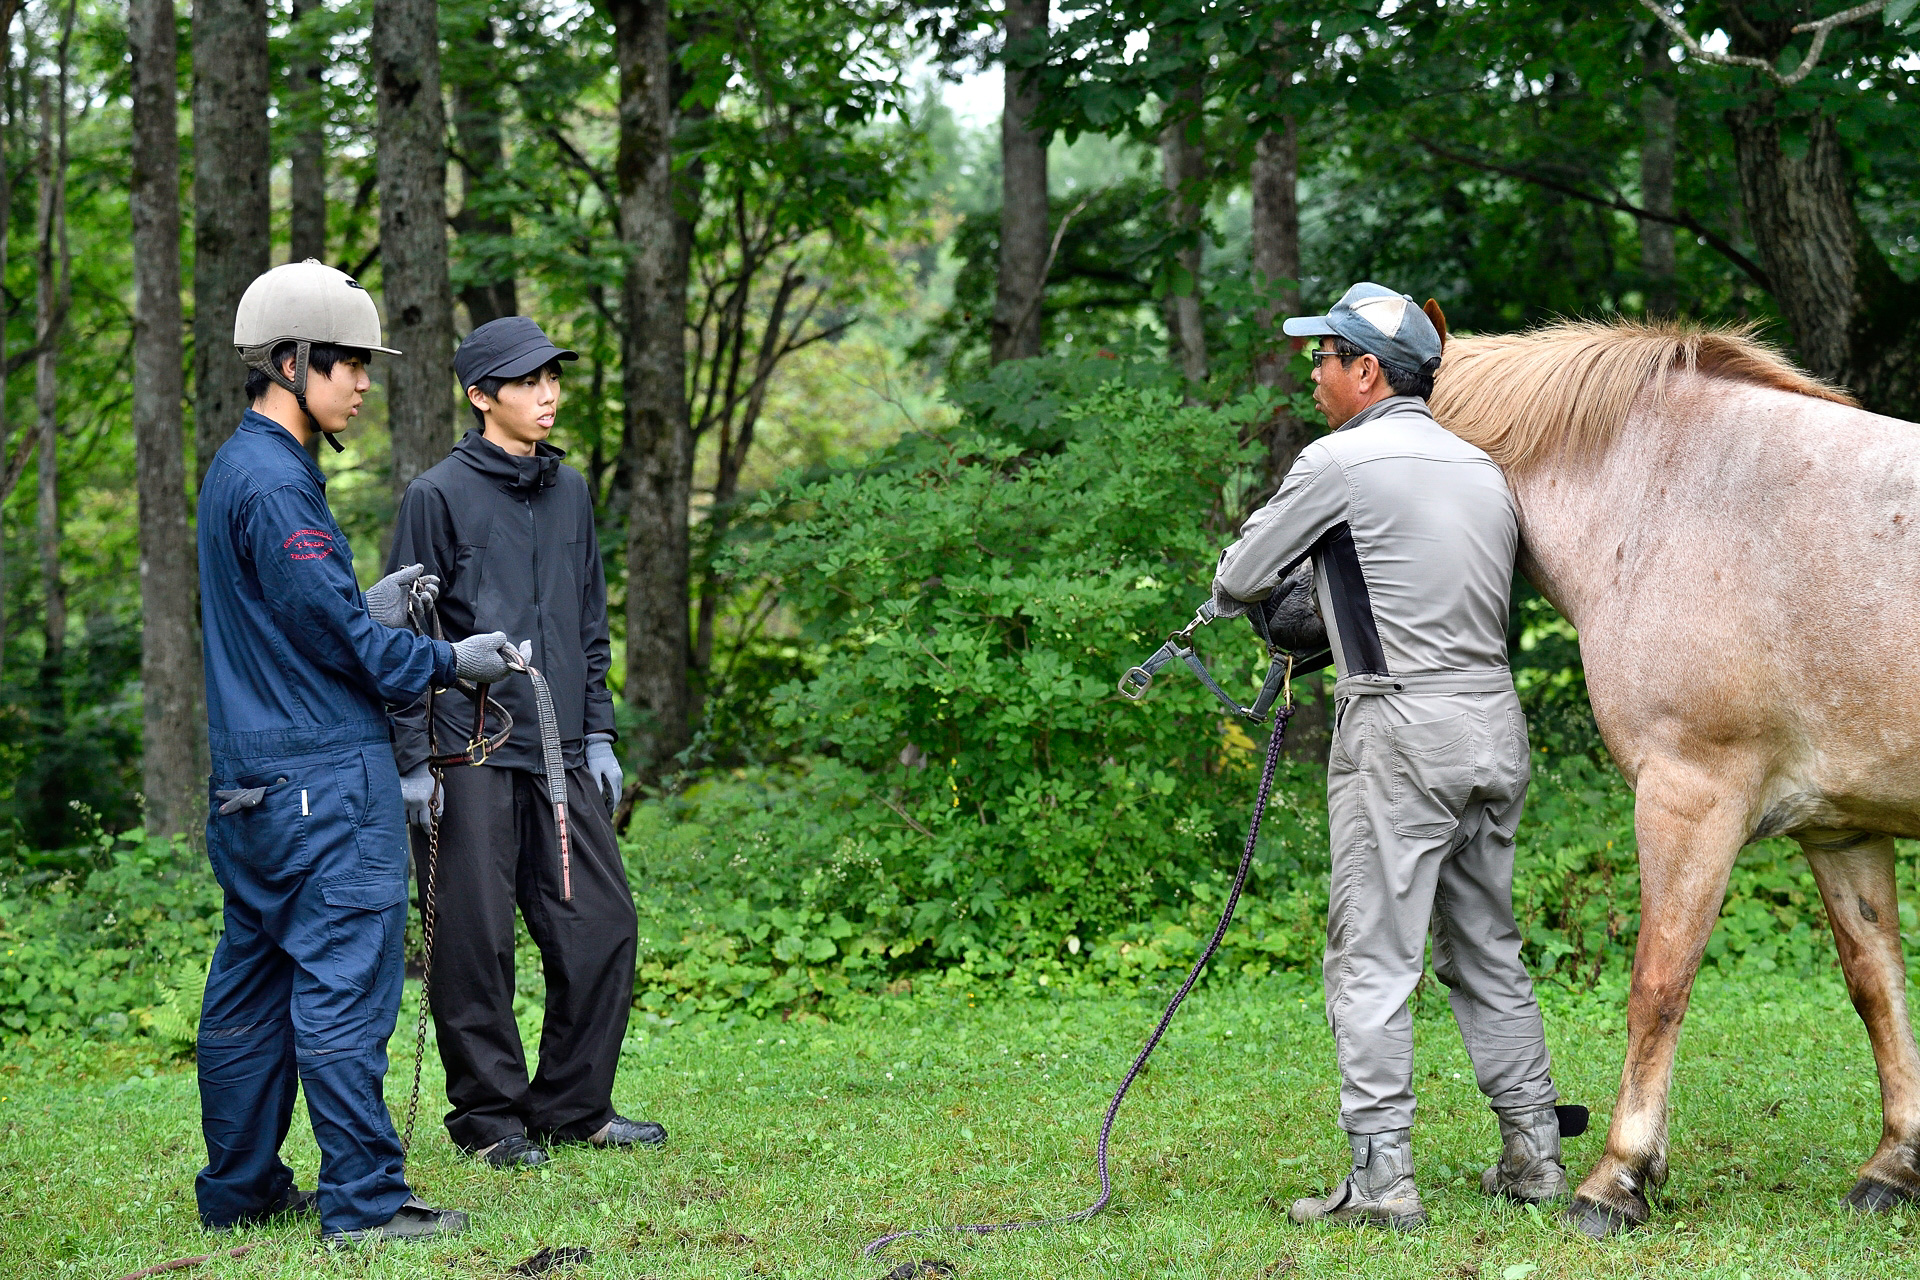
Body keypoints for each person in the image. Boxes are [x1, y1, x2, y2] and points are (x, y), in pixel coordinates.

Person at [1211, 282, 1567, 1229]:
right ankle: (1534, 1158)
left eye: (1322, 357)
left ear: (1366, 371)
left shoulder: (1341, 460)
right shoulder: (1483, 467)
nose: (1312, 372)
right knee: (1489, 948)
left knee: (1370, 957)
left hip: (1398, 726)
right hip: (1494, 724)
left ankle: (1381, 1184)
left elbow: (1240, 576)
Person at [196, 259, 522, 1245]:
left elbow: (299, 620)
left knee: (251, 989)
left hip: (250, 791)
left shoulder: (234, 470)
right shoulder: (280, 486)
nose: (363, 381)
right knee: (345, 985)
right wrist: (452, 657)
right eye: (345, 363)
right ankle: (368, 1204)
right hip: (321, 785)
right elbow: (352, 645)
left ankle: (243, 1188)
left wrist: (358, 609)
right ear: (289, 362)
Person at [386, 315, 662, 1170]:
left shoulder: (571, 489)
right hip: (464, 754)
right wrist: (410, 763)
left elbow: (587, 621)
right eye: (527, 380)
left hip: (563, 751)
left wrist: (602, 732)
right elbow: (399, 631)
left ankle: (574, 1107)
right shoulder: (434, 496)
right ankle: (491, 1121)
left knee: (603, 924)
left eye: (553, 378)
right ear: (480, 396)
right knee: (474, 942)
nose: (547, 394)